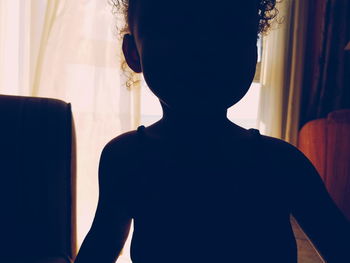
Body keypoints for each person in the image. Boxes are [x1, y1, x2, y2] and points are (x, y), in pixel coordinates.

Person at [74, 0, 350, 262]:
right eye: (175, 27)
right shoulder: (280, 162)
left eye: (228, 28)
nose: (203, 46)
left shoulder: (127, 157)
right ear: (134, 53)